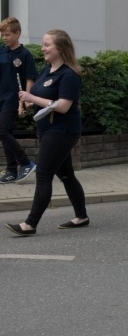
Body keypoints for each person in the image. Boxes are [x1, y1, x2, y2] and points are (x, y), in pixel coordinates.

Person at [5, 30, 89, 236]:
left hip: (62, 130)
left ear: (59, 48)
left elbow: (63, 106)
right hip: (47, 129)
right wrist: (26, 99)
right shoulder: (47, 70)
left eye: (46, 45)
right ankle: (82, 216)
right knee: (67, 175)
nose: (42, 48)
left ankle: (30, 224)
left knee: (43, 176)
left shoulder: (69, 74)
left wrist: (32, 99)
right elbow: (37, 94)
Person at [0, 17, 38, 184]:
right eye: (2, 35)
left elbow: (30, 78)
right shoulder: (2, 52)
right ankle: (11, 170)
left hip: (13, 99)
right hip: (1, 97)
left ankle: (25, 163)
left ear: (18, 34)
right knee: (6, 133)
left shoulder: (25, 54)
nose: (4, 38)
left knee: (2, 131)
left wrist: (27, 100)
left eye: (7, 34)